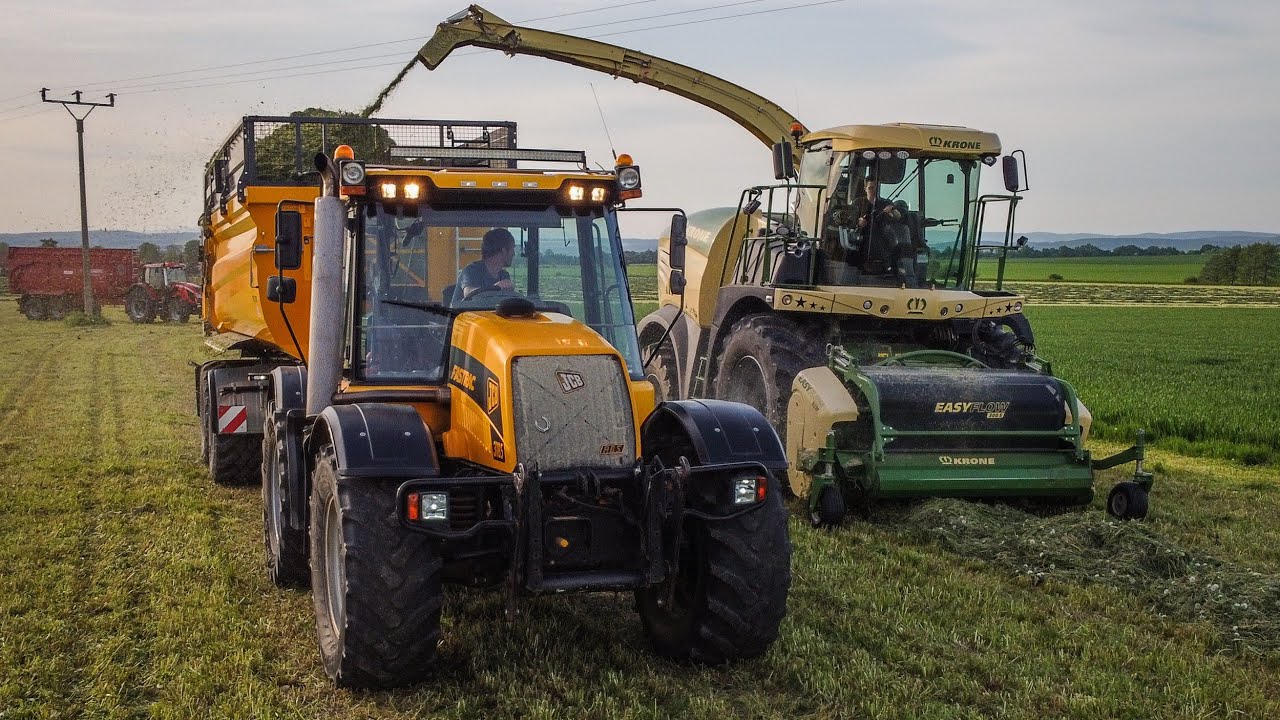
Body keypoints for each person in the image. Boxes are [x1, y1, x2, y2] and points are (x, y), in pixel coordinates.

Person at [452, 228, 516, 304]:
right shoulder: (471, 271)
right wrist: (495, 288)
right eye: (512, 248)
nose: (514, 253)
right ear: (504, 250)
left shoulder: (504, 275)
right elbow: (468, 293)